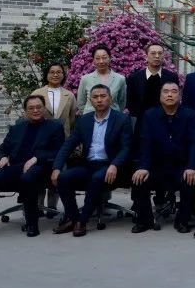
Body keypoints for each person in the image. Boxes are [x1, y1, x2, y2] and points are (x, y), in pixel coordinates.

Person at [0, 95, 64, 238]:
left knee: (27, 178)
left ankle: (32, 224)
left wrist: (37, 158)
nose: (35, 110)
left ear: (44, 109)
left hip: (41, 168)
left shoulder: (54, 127)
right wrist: (3, 157)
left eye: (39, 107)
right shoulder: (17, 128)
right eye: (31, 108)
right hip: (16, 167)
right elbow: (1, 149)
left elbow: (59, 151)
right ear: (25, 111)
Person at [51, 84, 134, 237]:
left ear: (110, 99)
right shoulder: (84, 120)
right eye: (95, 97)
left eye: (103, 96)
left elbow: (126, 148)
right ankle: (73, 219)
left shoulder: (122, 119)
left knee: (96, 178)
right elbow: (68, 145)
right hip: (88, 164)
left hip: (110, 165)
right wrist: (57, 167)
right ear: (90, 100)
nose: (99, 100)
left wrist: (114, 165)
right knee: (63, 177)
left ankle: (82, 222)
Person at [130, 82, 195, 234]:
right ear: (160, 96)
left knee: (190, 179)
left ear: (180, 96)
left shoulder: (190, 115)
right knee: (139, 179)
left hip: (182, 166)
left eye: (174, 91)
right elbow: (145, 143)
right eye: (166, 91)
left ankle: (182, 220)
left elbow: (194, 143)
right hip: (157, 166)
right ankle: (145, 220)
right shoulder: (150, 115)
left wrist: (192, 167)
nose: (170, 94)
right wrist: (143, 167)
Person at [125, 42, 179, 121]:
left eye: (160, 53)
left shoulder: (171, 77)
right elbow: (130, 103)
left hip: (166, 121)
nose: (157, 56)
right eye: (153, 53)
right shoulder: (134, 78)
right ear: (146, 56)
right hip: (140, 122)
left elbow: (175, 100)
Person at [77, 46, 127, 114]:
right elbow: (81, 103)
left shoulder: (120, 79)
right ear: (93, 60)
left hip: (113, 117)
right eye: (97, 58)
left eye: (104, 58)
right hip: (91, 117)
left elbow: (122, 102)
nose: (101, 61)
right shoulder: (85, 79)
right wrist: (89, 116)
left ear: (110, 58)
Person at [31, 62, 77, 136]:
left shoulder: (69, 95)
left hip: (63, 135)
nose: (55, 75)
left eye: (58, 72)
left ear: (63, 75)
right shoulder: (36, 94)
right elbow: (30, 115)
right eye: (52, 72)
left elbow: (72, 118)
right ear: (46, 75)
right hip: (40, 134)